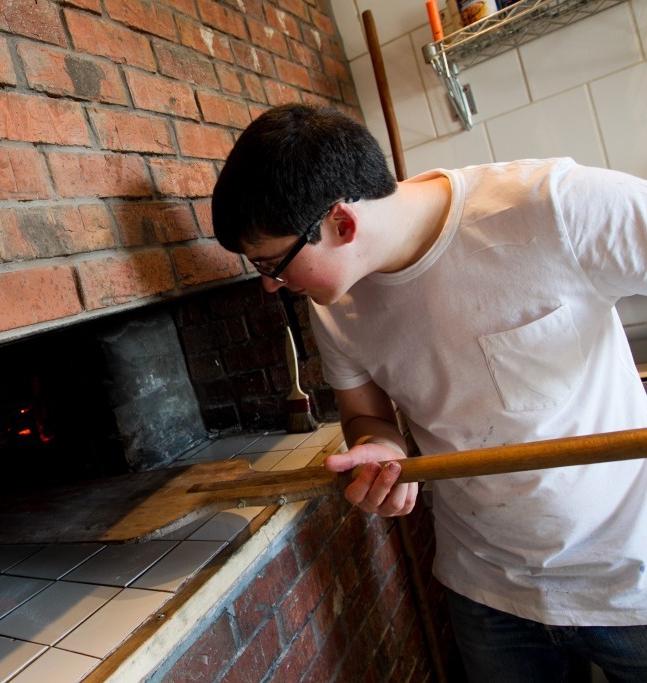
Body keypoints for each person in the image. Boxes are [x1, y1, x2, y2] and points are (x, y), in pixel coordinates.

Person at [211, 102, 647, 682]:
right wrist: (381, 452)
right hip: (487, 590)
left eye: (273, 263)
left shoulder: (552, 207)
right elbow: (369, 417)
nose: (270, 286)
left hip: (630, 581)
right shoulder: (334, 304)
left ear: (343, 223)